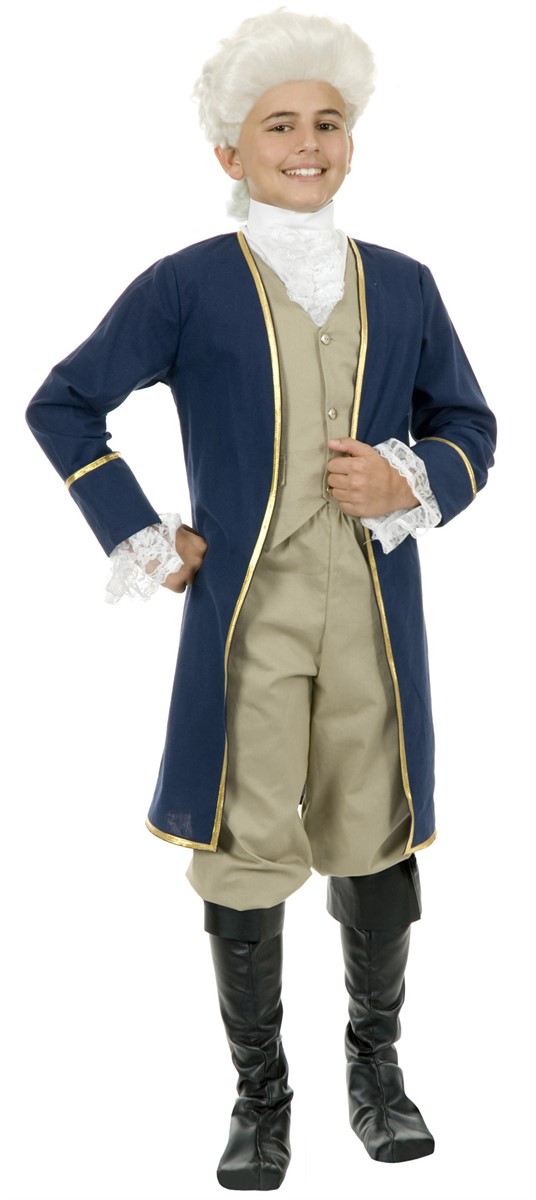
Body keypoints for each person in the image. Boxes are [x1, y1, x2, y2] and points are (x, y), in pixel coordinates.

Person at [26, 9, 496, 1191]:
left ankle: (376, 1074)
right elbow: (63, 402)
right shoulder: (186, 285)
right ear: (228, 153)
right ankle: (260, 1095)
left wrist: (411, 478)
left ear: (352, 141)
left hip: (374, 622)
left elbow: (469, 425)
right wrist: (143, 534)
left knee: (374, 834)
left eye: (325, 122)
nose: (306, 142)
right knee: (244, 848)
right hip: (248, 622)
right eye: (277, 125)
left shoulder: (406, 284)